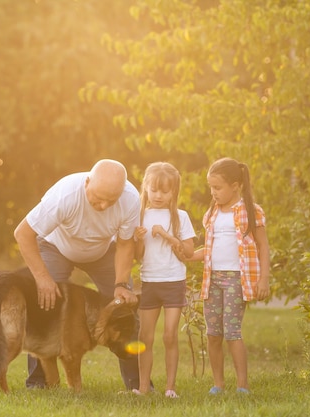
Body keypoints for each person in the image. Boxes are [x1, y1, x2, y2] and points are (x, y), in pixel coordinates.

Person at [13, 159, 141, 390]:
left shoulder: (130, 199)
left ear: (121, 193)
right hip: (57, 248)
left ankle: (137, 385)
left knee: (126, 305)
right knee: (45, 303)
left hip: (102, 252)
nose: (103, 206)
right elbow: (23, 234)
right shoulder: (65, 195)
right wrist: (43, 279)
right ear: (87, 182)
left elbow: (124, 244)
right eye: (98, 198)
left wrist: (121, 283)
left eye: (110, 201)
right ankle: (38, 382)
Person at [187, 157, 270, 395]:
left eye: (218, 187)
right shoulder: (212, 213)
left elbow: (263, 246)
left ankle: (242, 386)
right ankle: (218, 384)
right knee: (213, 334)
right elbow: (209, 250)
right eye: (211, 187)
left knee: (232, 332)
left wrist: (263, 279)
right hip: (212, 279)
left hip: (236, 279)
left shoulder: (251, 212)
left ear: (235, 185)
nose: (213, 192)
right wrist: (188, 254)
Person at [132, 162, 195, 398]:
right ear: (146, 188)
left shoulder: (180, 217)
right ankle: (143, 387)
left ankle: (170, 388)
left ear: (173, 192)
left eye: (165, 191)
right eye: (154, 190)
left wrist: (166, 234)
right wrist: (139, 240)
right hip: (149, 282)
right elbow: (138, 257)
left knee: (170, 335)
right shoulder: (139, 216)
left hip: (173, 281)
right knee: (144, 336)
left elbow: (188, 252)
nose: (158, 196)